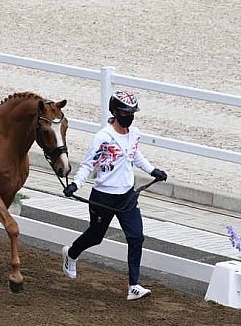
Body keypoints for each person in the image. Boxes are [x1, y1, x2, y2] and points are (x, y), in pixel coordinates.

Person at [61, 90, 168, 300]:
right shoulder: (103, 137)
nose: (130, 116)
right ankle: (71, 254)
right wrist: (75, 184)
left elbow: (135, 154)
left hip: (127, 196)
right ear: (116, 112)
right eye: (126, 112)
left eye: (132, 112)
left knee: (136, 237)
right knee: (96, 236)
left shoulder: (134, 134)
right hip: (103, 197)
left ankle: (133, 285)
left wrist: (152, 170)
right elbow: (88, 164)